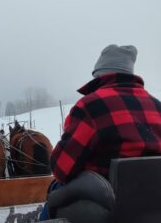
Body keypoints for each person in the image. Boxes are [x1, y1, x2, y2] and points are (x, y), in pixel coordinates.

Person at [40, 44, 161, 220]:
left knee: (54, 190)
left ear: (100, 75)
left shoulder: (90, 106)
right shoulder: (157, 106)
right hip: (152, 202)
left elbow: (61, 169)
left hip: (105, 205)